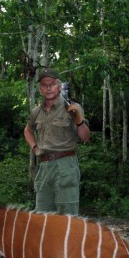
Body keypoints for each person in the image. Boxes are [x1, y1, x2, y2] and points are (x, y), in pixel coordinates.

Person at [24, 68, 90, 215]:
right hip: (44, 167)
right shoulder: (36, 112)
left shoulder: (72, 108)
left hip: (65, 165)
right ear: (40, 89)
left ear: (59, 86)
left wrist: (78, 121)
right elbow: (27, 130)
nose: (48, 88)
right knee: (42, 219)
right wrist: (35, 148)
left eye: (52, 84)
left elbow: (85, 137)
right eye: (44, 85)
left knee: (68, 218)